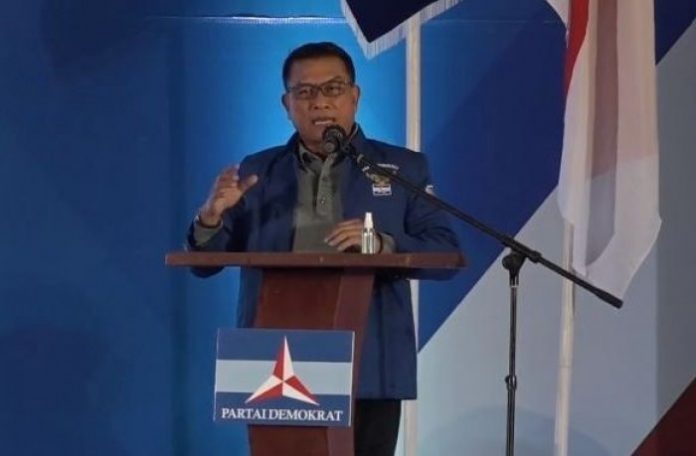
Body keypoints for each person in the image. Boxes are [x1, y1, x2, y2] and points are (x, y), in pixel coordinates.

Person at [187, 41, 459, 456]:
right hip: (276, 360)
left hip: (370, 360)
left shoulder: (402, 168)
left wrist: (380, 244)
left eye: (333, 88)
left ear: (355, 96)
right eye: (305, 92)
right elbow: (203, 264)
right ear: (286, 104)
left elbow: (444, 254)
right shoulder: (258, 170)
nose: (320, 103)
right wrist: (210, 218)